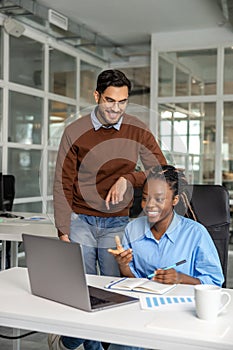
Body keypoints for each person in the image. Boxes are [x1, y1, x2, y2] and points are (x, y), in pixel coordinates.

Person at [49, 69, 166, 350]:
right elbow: (62, 181)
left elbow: (160, 170)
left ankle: (78, 339)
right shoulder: (74, 131)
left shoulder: (137, 128)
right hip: (81, 221)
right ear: (97, 96)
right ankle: (87, 345)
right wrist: (63, 228)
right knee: (84, 292)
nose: (116, 109)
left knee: (114, 292)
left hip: (118, 223)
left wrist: (129, 178)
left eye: (122, 102)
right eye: (110, 101)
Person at [108, 164, 224, 287]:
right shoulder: (132, 228)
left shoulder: (196, 233)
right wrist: (123, 265)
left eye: (159, 199)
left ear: (175, 200)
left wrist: (180, 278)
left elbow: (215, 282)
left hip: (181, 302)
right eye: (145, 198)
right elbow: (133, 280)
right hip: (143, 300)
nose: (150, 205)